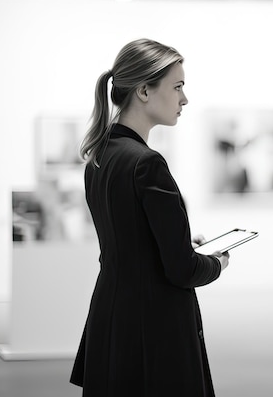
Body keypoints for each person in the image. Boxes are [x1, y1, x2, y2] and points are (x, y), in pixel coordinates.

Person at [70, 38, 230, 397]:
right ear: (143, 91)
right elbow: (183, 270)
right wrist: (217, 262)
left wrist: (179, 244)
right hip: (153, 328)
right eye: (177, 87)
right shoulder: (147, 163)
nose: (184, 99)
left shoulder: (102, 155)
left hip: (113, 317)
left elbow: (131, 242)